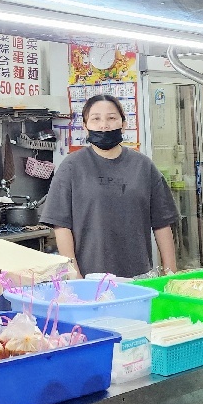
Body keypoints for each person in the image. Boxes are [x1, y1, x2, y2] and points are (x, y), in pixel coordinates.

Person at [41, 94, 179, 278]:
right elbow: (61, 226)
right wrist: (75, 276)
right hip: (90, 279)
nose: (104, 125)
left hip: (139, 277)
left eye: (111, 118)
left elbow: (162, 224)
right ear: (85, 126)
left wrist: (170, 274)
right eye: (96, 119)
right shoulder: (72, 166)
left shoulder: (143, 166)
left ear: (123, 123)